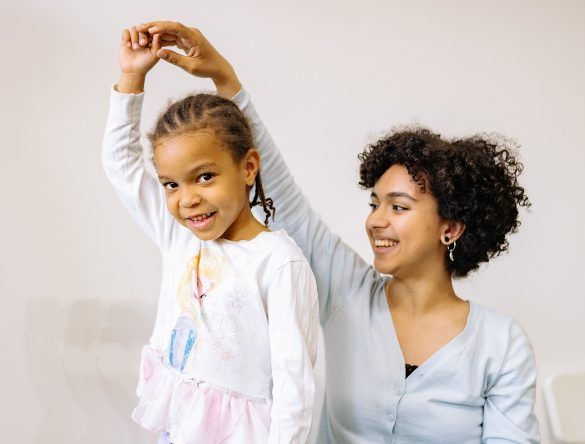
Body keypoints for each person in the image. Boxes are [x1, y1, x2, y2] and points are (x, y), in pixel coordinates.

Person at [137, 21, 540, 444]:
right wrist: (225, 80)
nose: (375, 221)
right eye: (374, 203)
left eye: (398, 207)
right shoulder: (349, 292)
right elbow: (282, 196)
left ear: (451, 228)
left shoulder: (501, 343)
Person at [102, 25, 319, 444]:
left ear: (248, 167)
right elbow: (121, 165)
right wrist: (131, 79)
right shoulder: (180, 235)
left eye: (204, 176)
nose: (188, 199)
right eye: (171, 184)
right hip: (178, 429)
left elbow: (295, 388)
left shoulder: (278, 262)